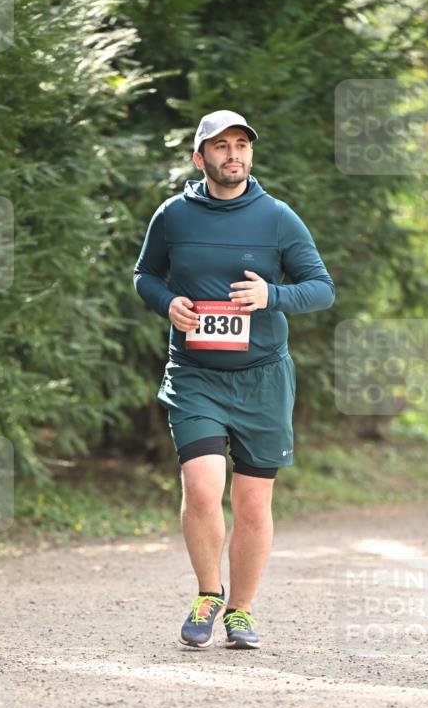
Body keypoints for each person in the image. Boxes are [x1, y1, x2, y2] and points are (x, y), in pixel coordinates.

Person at [134, 109, 335, 650]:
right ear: (200, 158)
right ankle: (207, 594)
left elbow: (321, 288)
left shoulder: (277, 217)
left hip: (262, 377)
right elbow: (145, 275)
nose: (233, 155)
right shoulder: (173, 216)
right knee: (202, 487)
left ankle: (241, 612)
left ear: (251, 153)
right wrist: (167, 302)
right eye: (220, 147)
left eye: (241, 145)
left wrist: (273, 295)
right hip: (195, 373)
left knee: (251, 504)